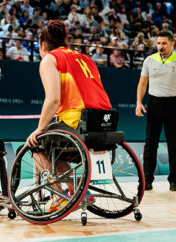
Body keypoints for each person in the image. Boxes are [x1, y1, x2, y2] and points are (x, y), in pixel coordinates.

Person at [25, 20, 112, 212]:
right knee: (56, 148)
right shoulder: (85, 57)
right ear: (65, 39)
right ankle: (81, 191)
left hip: (78, 121)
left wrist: (39, 129)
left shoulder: (50, 58)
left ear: (43, 44)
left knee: (38, 145)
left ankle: (58, 196)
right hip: (105, 122)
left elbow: (53, 99)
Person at [135, 31, 176, 192]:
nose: (160, 46)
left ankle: (174, 180)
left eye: (164, 43)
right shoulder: (149, 60)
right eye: (158, 43)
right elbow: (142, 83)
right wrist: (139, 103)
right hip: (154, 104)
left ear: (171, 44)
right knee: (150, 143)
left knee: (173, 144)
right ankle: (147, 180)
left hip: (173, 104)